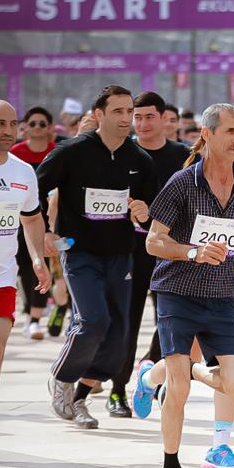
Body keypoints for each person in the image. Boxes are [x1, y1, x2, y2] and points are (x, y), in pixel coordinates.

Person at [140, 103, 234, 468]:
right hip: (178, 294)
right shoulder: (182, 183)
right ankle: (171, 466)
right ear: (207, 134)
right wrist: (193, 252)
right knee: (178, 391)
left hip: (221, 297)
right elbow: (154, 241)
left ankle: (178, 371)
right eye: (230, 131)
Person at [37, 85, 157, 429]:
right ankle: (62, 377)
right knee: (92, 321)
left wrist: (143, 211)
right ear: (99, 114)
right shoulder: (72, 151)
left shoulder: (139, 159)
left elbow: (150, 209)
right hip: (79, 251)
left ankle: (80, 397)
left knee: (119, 335)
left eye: (129, 111)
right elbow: (36, 188)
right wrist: (45, 231)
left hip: (120, 255)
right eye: (117, 111)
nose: (126, 118)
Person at [105, 92, 191, 418]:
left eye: (149, 117)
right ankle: (117, 390)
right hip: (130, 251)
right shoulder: (120, 154)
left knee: (169, 322)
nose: (142, 124)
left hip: (170, 251)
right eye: (136, 117)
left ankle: (150, 372)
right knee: (126, 322)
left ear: (164, 118)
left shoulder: (183, 156)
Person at [0, 100, 50, 378]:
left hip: (4, 274)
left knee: (0, 341)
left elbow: (31, 218)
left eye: (12, 124)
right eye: (0, 124)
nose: (7, 131)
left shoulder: (23, 171)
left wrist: (37, 259)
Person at [11, 106, 57, 339]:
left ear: (50, 128)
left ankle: (35, 320)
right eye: (32, 124)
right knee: (23, 267)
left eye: (42, 124)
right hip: (17, 219)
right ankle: (30, 309)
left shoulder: (57, 152)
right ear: (25, 128)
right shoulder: (15, 153)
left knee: (41, 264)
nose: (37, 128)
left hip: (48, 220)